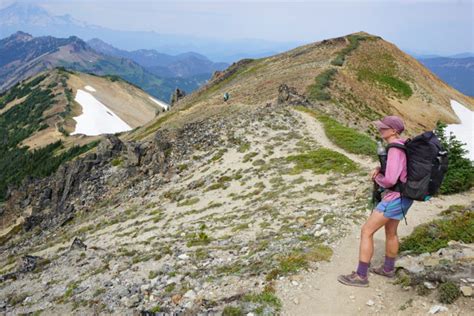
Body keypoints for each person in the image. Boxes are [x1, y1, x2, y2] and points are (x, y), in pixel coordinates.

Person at [337, 115, 414, 287]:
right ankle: (388, 269)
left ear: (394, 131)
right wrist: (381, 168)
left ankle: (361, 276)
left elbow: (390, 180)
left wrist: (378, 177)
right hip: (405, 198)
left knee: (366, 231)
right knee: (391, 232)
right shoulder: (403, 146)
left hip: (394, 198)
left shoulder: (394, 149)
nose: (380, 129)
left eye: (384, 128)